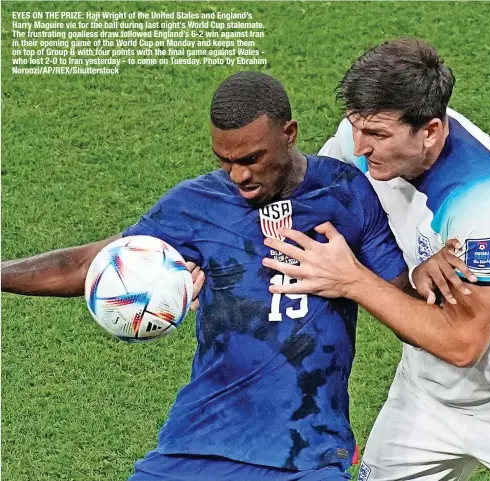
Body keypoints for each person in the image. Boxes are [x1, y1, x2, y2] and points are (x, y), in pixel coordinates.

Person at [2, 72, 410, 481]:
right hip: (193, 444)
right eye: (225, 160)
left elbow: (403, 301)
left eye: (251, 159)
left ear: (289, 134)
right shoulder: (197, 204)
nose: (238, 176)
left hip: (305, 455)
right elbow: (84, 264)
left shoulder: (346, 194)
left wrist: (360, 277)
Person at [263, 39, 490, 481]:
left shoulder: (482, 201)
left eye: (379, 135)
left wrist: (354, 281)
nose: (360, 148)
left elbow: (463, 343)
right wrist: (201, 259)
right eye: (355, 127)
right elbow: (312, 204)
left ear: (431, 131)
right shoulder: (362, 137)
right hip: (424, 396)